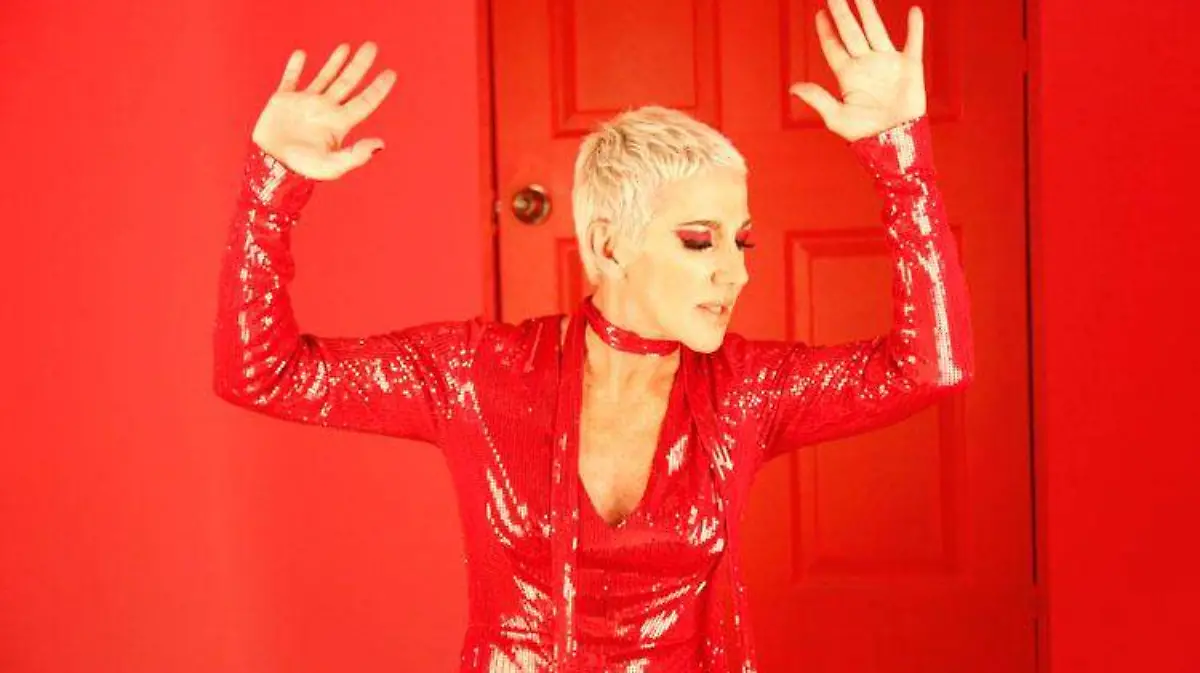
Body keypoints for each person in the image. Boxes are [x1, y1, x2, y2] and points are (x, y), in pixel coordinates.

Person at [212, 0, 973, 670]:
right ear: (610, 245)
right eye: (699, 240)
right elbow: (262, 373)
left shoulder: (746, 392)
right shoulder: (477, 375)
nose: (735, 272)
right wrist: (272, 186)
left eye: (742, 240)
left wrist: (900, 162)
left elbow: (929, 368)